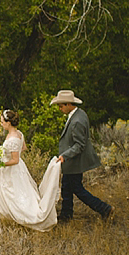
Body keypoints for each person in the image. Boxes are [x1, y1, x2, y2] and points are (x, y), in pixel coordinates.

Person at [0, 109, 62, 232]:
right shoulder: (19, 133)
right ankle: (8, 217)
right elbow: (24, 148)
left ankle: (22, 217)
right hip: (18, 168)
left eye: (2, 122)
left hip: (12, 169)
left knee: (14, 194)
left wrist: (0, 163)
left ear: (8, 123)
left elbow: (15, 160)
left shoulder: (14, 138)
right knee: (9, 193)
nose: (1, 124)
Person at [50, 90, 115, 223]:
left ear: (69, 104)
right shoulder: (79, 113)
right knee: (67, 187)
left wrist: (64, 155)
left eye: (61, 106)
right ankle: (66, 214)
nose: (60, 109)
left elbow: (79, 145)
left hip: (75, 161)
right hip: (72, 161)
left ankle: (104, 209)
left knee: (77, 189)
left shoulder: (77, 120)